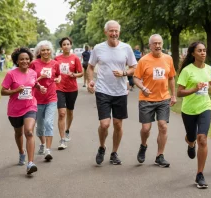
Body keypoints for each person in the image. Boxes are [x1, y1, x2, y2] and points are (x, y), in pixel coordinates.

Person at [87, 20, 137, 165]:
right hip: (103, 90)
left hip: (120, 91)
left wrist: (124, 73)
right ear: (106, 32)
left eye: (116, 31)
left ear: (119, 32)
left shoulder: (126, 48)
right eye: (111, 31)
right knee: (104, 124)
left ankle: (114, 153)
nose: (114, 33)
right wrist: (91, 81)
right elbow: (90, 67)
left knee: (118, 124)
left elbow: (135, 67)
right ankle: (102, 147)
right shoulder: (98, 48)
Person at [177, 41, 211, 189]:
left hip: (205, 107)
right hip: (189, 109)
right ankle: (190, 143)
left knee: (202, 138)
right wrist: (193, 89)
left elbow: (207, 84)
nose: (203, 53)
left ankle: (200, 174)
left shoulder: (209, 69)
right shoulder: (187, 71)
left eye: (204, 50)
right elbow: (179, 92)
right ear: (193, 54)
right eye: (199, 50)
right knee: (192, 137)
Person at [133, 34, 177, 168]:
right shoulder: (144, 60)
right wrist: (142, 87)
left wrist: (173, 95)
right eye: (155, 43)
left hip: (163, 98)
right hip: (147, 99)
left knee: (163, 126)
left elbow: (171, 78)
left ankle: (160, 155)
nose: (157, 46)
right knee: (146, 129)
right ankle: (143, 145)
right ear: (150, 46)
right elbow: (136, 78)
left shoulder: (168, 59)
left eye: (159, 43)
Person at [1, 48, 45, 175]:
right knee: (18, 133)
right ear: (17, 61)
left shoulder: (32, 72)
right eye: (21, 59)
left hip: (30, 106)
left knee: (29, 132)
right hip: (14, 110)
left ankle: (30, 163)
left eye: (27, 59)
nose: (25, 61)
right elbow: (3, 91)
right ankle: (21, 152)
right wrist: (15, 91)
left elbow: (34, 83)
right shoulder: (11, 74)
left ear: (30, 60)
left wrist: (40, 87)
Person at [30, 40, 60, 160]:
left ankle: (48, 150)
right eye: (43, 50)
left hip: (51, 97)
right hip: (37, 99)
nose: (46, 52)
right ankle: (42, 144)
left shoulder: (55, 63)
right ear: (39, 52)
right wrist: (40, 77)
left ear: (51, 51)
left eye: (48, 50)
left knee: (48, 123)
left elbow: (58, 75)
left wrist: (58, 79)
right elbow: (30, 79)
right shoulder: (34, 64)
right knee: (40, 126)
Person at [54, 37, 83, 149]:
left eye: (68, 44)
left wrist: (74, 75)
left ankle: (67, 130)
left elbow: (80, 73)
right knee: (62, 113)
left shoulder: (75, 58)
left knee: (70, 112)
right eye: (64, 44)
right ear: (61, 47)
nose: (66, 46)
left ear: (71, 45)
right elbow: (54, 72)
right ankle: (62, 140)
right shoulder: (57, 59)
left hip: (72, 89)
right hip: (59, 88)